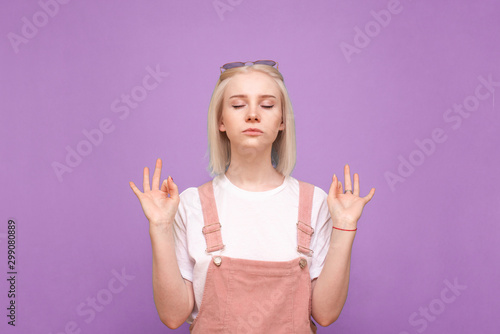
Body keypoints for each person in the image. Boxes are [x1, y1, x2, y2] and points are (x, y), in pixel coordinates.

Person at [129, 60, 375, 333]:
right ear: (220, 121)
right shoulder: (190, 204)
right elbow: (173, 316)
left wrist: (345, 227)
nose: (253, 114)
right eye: (237, 105)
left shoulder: (315, 203)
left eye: (267, 105)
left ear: (282, 121)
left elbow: (326, 314)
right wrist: (160, 227)